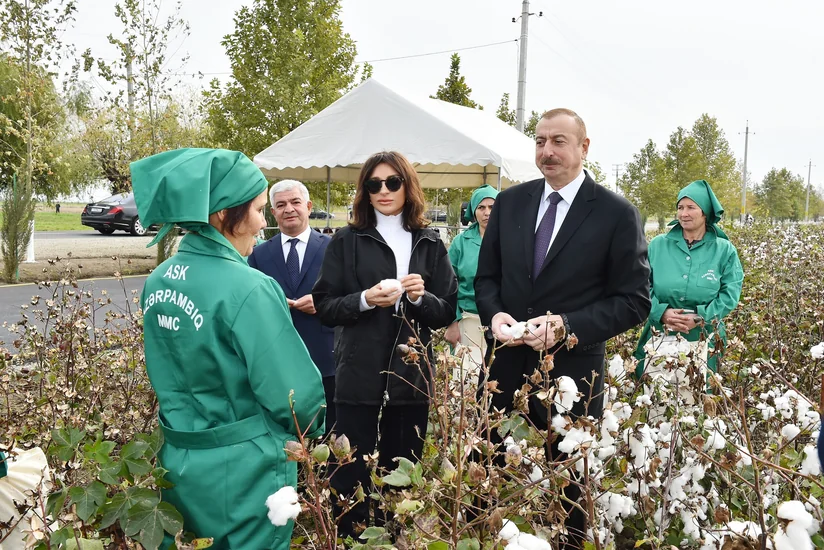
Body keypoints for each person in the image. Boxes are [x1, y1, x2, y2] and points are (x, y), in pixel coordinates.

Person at [132, 148, 326, 550]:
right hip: (244, 470)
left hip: (179, 459)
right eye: (257, 209)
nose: (263, 221)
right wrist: (313, 431)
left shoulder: (160, 279)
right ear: (223, 214)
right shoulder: (249, 286)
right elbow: (293, 395)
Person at [474, 108, 651, 549]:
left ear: (584, 147)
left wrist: (567, 326)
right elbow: (486, 278)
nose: (547, 151)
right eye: (539, 141)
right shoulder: (511, 202)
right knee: (484, 482)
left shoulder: (616, 214)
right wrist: (494, 315)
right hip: (505, 369)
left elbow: (635, 300)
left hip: (572, 377)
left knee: (569, 492)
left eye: (558, 141)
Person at [312, 151, 457, 537]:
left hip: (409, 376)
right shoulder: (346, 240)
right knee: (349, 468)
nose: (383, 190)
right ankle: (352, 540)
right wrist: (363, 299)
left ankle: (396, 538)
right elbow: (324, 305)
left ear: (408, 186)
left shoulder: (429, 241)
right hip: (358, 370)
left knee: (402, 467)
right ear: (365, 191)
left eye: (392, 182)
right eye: (373, 184)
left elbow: (445, 312)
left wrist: (417, 299)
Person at [249, 180, 336, 434]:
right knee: (286, 433)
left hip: (325, 358)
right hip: (278, 359)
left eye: (295, 202)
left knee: (328, 433)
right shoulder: (258, 255)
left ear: (308, 207)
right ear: (273, 213)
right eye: (281, 205)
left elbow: (350, 293)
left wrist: (322, 304)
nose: (289, 209)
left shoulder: (334, 249)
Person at [633, 179, 744, 375]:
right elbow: (639, 286)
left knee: (699, 396)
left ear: (705, 213)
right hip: (658, 336)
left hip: (705, 339)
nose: (684, 213)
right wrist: (661, 312)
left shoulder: (724, 250)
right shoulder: (658, 245)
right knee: (656, 396)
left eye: (691, 207)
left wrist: (702, 318)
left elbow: (730, 293)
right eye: (680, 207)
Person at [444, 184, 498, 378]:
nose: (487, 213)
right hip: (468, 319)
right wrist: (452, 322)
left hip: (500, 322)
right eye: (481, 208)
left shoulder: (509, 240)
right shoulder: (461, 242)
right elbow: (447, 284)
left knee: (494, 385)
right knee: (466, 380)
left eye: (492, 207)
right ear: (473, 211)